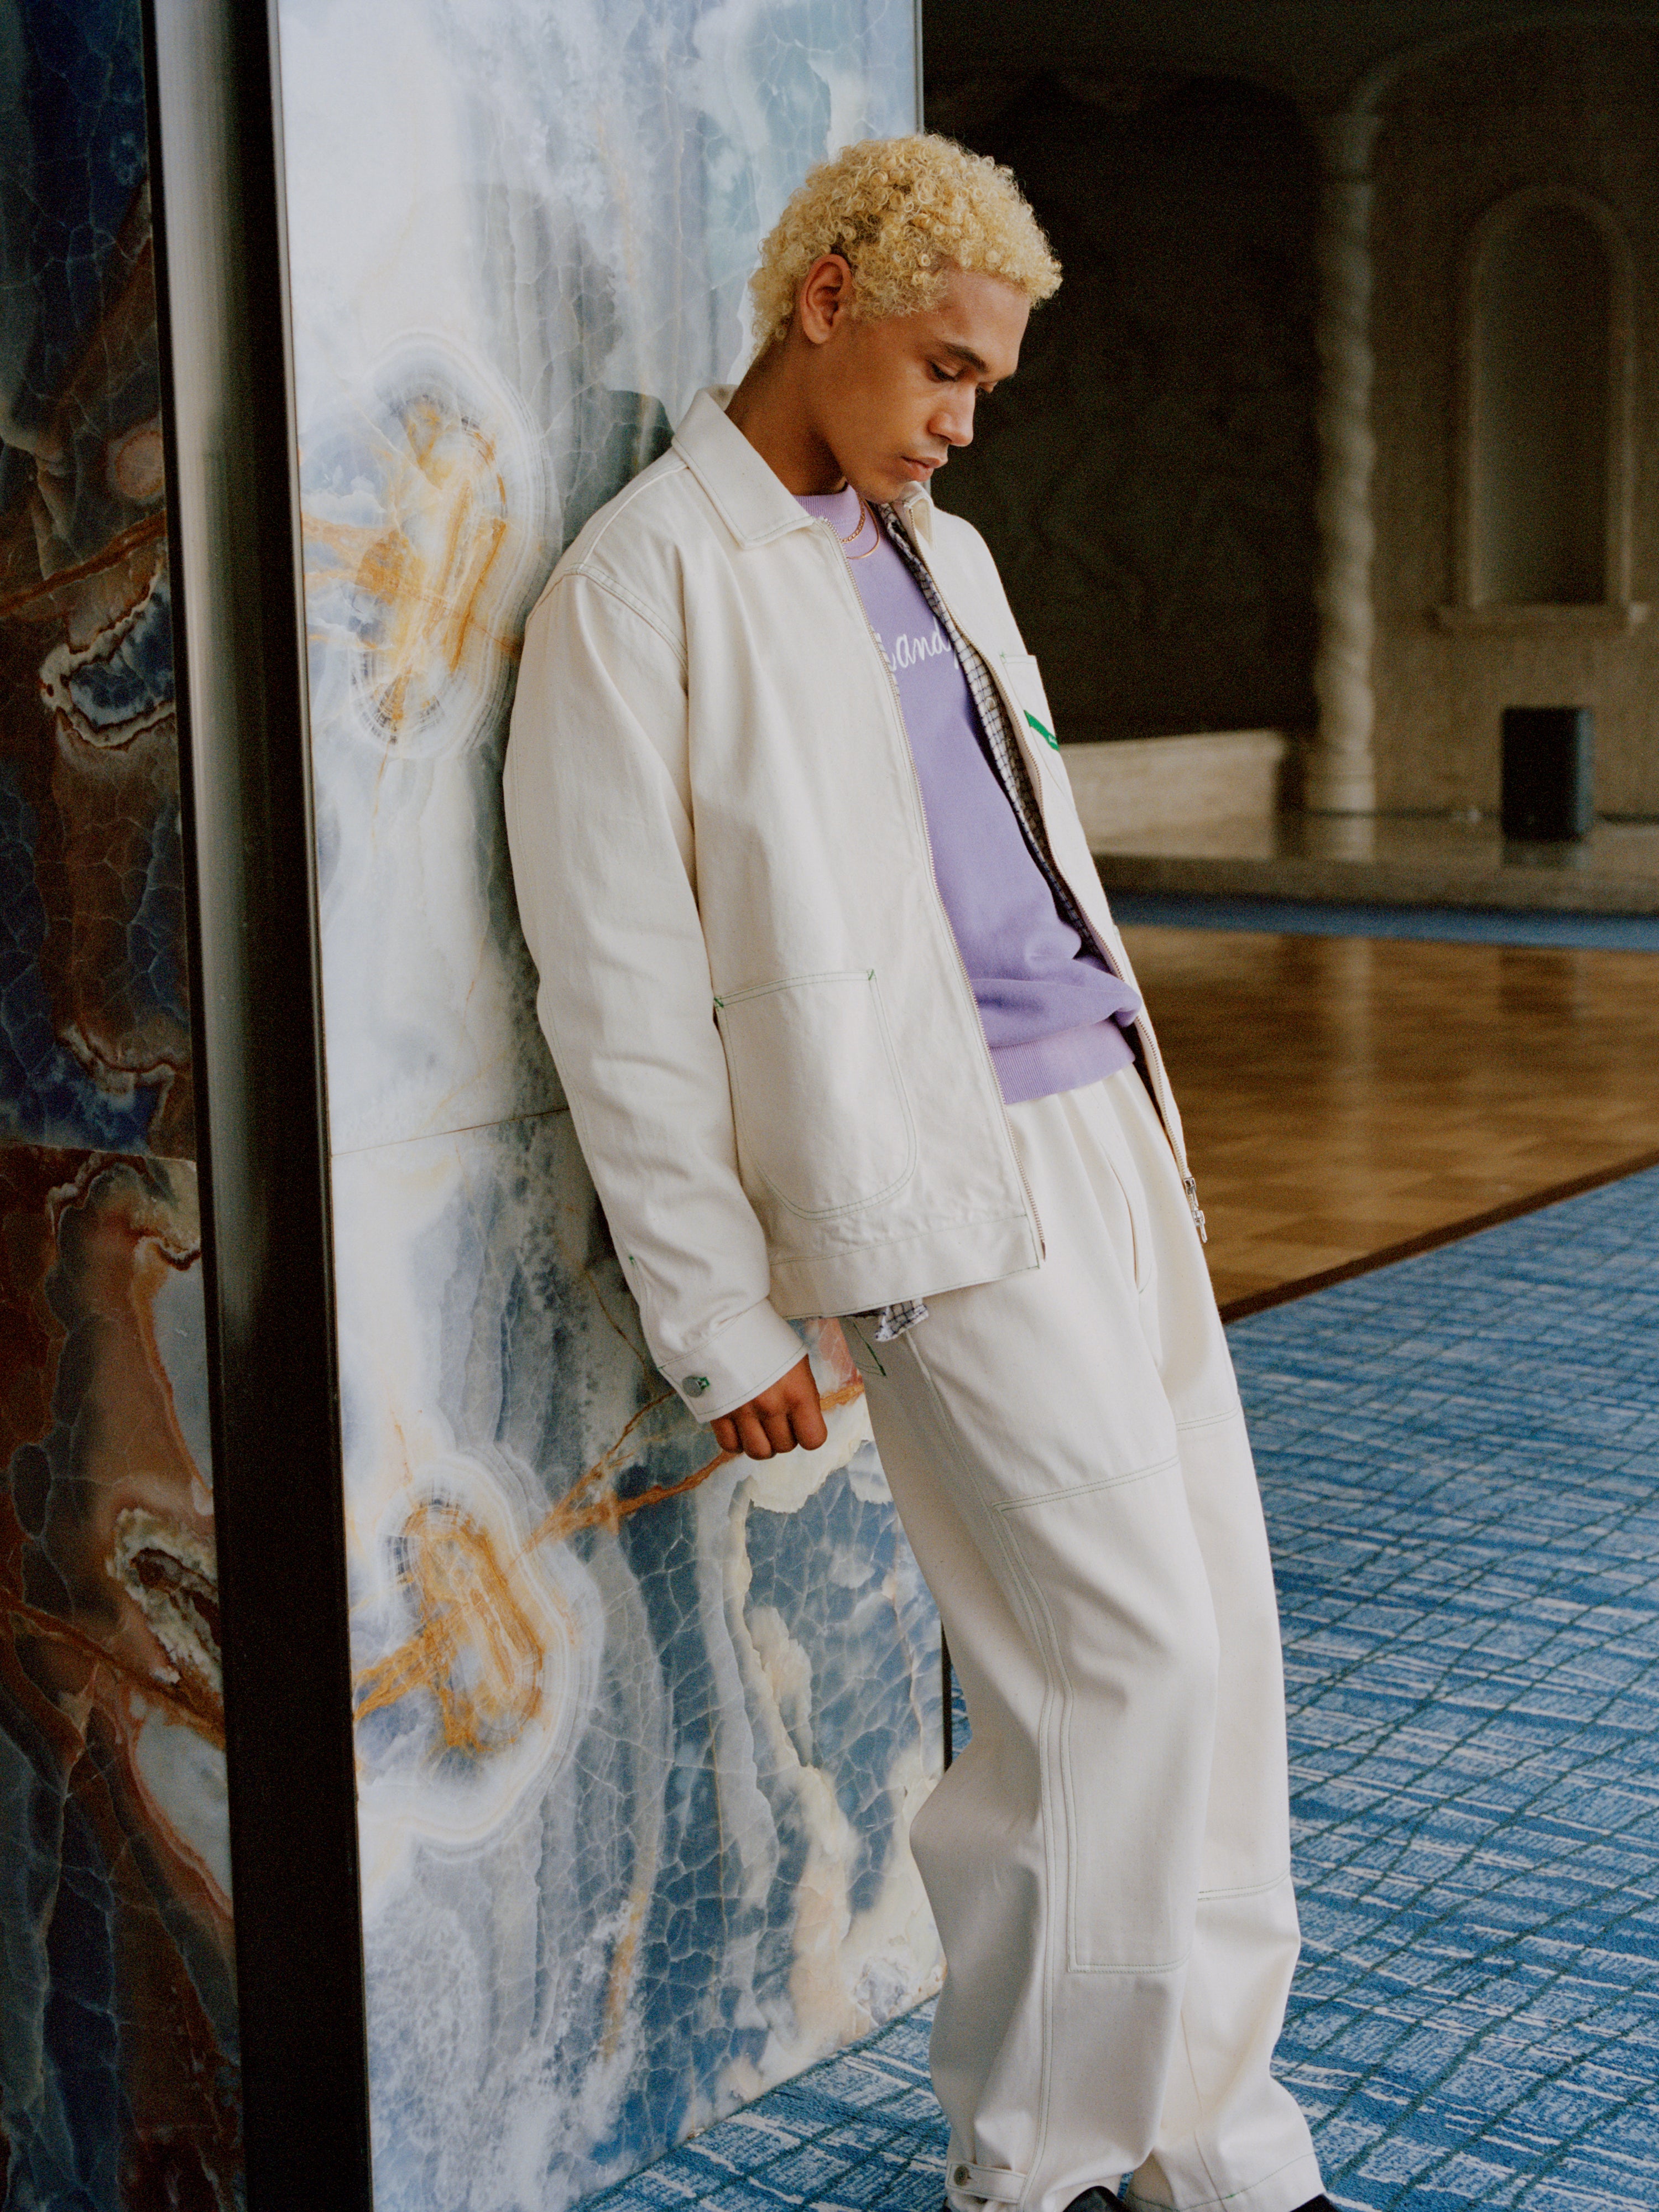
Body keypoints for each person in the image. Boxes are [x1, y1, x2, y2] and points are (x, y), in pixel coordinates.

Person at [504, 134, 1332, 2212]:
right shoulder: (644, 584)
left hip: (1106, 1135)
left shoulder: (940, 554)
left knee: (1216, 1654)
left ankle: (1221, 2154)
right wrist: (716, 1316)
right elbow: (618, 994)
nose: (964, 423)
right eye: (945, 369)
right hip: (926, 1193)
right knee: (1120, 1664)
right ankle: (1033, 2171)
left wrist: (1142, 1127)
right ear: (828, 303)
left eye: (987, 386)